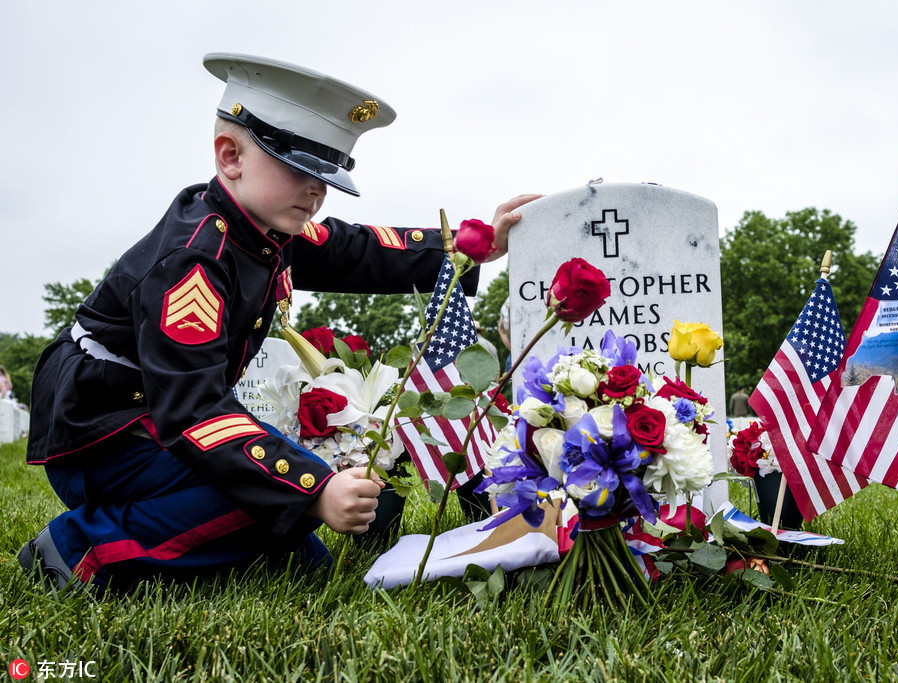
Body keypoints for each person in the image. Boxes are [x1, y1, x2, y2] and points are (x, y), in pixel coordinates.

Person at [19, 53, 539, 592]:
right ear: (230, 156)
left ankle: (208, 536)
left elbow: (357, 249)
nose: (317, 191)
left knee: (300, 560)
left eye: (326, 176)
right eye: (298, 169)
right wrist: (316, 490)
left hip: (156, 415)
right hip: (104, 433)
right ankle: (80, 548)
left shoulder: (266, 228)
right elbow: (195, 411)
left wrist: (471, 246)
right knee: (266, 496)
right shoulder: (192, 263)